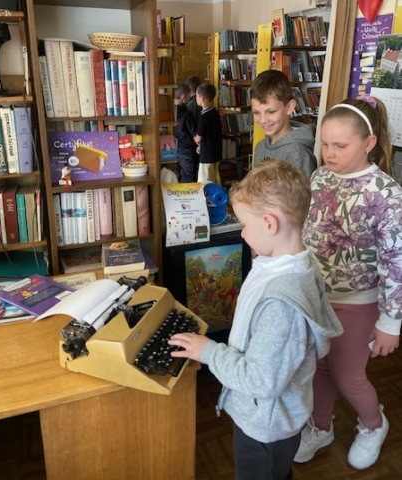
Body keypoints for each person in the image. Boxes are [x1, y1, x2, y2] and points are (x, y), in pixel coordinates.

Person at [168, 159, 343, 480]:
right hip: (271, 418)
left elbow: (261, 381)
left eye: (245, 225)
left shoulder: (282, 304)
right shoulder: (289, 262)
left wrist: (208, 351)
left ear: (269, 224)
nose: (243, 233)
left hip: (265, 426)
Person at [296, 96, 402, 470]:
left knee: (348, 374)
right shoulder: (320, 176)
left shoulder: (386, 194)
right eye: (325, 143)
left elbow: (396, 263)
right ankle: (320, 426)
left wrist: (390, 323)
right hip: (317, 295)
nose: (329, 153)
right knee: (320, 366)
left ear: (369, 142)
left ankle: (374, 424)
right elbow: (309, 231)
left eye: (340, 145)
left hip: (359, 301)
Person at [250, 69, 317, 178]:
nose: (263, 120)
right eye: (256, 113)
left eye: (271, 112)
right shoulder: (260, 148)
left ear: (289, 107)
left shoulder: (298, 153)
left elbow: (305, 189)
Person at [194, 82, 223, 184]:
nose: (195, 98)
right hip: (216, 152)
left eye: (196, 96)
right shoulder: (215, 113)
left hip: (207, 156)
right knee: (215, 179)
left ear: (202, 99)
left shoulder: (204, 117)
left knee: (205, 181)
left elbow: (199, 137)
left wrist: (195, 138)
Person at [173, 83, 198, 182]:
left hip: (170, 148)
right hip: (186, 147)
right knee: (188, 175)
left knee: (173, 175)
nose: (190, 98)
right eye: (188, 96)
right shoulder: (187, 114)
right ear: (183, 97)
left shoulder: (168, 112)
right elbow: (194, 132)